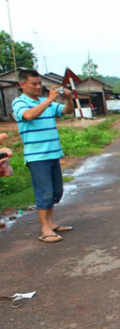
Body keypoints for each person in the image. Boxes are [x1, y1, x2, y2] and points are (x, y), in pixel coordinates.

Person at [12, 70, 75, 243]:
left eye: (39, 83)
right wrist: (49, 100)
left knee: (56, 192)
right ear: (22, 85)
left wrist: (68, 98)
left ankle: (50, 223)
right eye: (33, 84)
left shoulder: (44, 102)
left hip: (53, 153)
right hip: (37, 156)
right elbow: (29, 115)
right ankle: (45, 229)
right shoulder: (19, 102)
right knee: (44, 192)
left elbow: (67, 111)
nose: (38, 86)